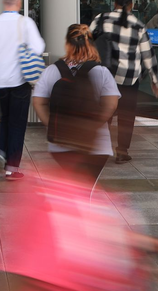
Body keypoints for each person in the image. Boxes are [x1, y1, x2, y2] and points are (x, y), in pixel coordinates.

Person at [31, 24, 120, 194]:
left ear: (67, 44)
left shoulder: (52, 71)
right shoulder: (101, 72)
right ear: (91, 44)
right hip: (95, 145)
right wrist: (91, 127)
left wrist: (54, 125)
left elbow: (38, 102)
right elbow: (111, 104)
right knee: (86, 192)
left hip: (61, 143)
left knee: (71, 190)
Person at [0, 0, 45, 180]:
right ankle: (11, 168)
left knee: (5, 118)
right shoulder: (25, 23)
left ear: (4, 2)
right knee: (17, 124)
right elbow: (39, 47)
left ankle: (1, 150)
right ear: (19, 3)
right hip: (19, 82)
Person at [91, 0, 158, 164]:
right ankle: (122, 151)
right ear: (131, 5)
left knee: (104, 113)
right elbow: (147, 54)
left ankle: (101, 148)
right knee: (126, 115)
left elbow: (87, 41)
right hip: (129, 78)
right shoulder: (138, 25)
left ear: (114, 3)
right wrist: (154, 80)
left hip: (105, 76)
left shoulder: (102, 19)